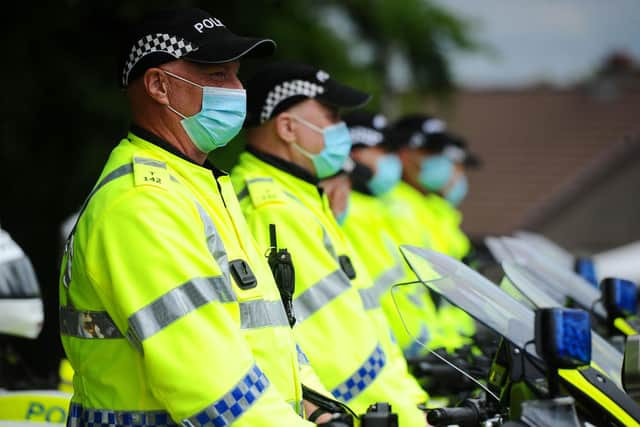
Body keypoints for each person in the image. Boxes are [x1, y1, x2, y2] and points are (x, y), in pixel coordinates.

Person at [59, 9, 329, 426]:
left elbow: (269, 338)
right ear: (159, 86)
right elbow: (209, 381)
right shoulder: (141, 204)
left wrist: (322, 411)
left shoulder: (198, 188)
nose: (238, 90)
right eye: (218, 76)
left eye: (237, 75)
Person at [231, 62, 429, 426]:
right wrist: (410, 415)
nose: (342, 131)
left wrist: (414, 407)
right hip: (350, 415)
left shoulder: (301, 197)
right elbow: (332, 351)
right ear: (288, 128)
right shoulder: (272, 210)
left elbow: (365, 333)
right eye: (330, 116)